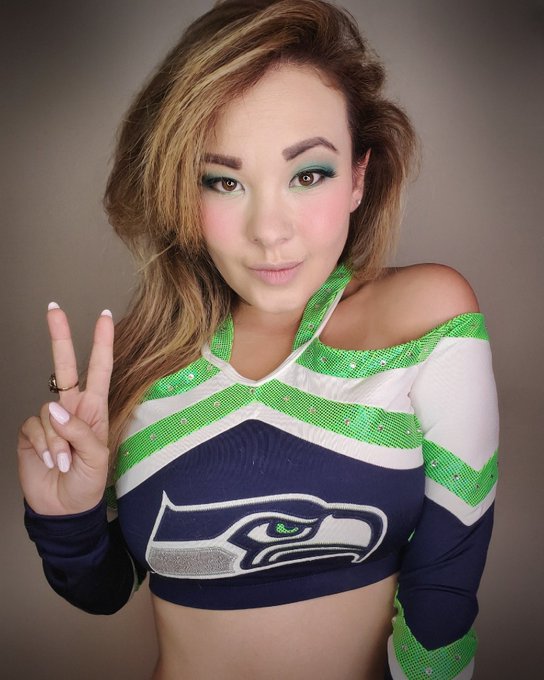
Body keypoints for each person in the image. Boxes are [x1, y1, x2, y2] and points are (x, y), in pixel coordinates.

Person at [17, 1, 499, 678]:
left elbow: (444, 596)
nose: (269, 231)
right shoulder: (134, 361)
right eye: (224, 181)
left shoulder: (424, 317)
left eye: (308, 174)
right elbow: (105, 590)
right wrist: (66, 520)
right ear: (181, 194)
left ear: (359, 177)